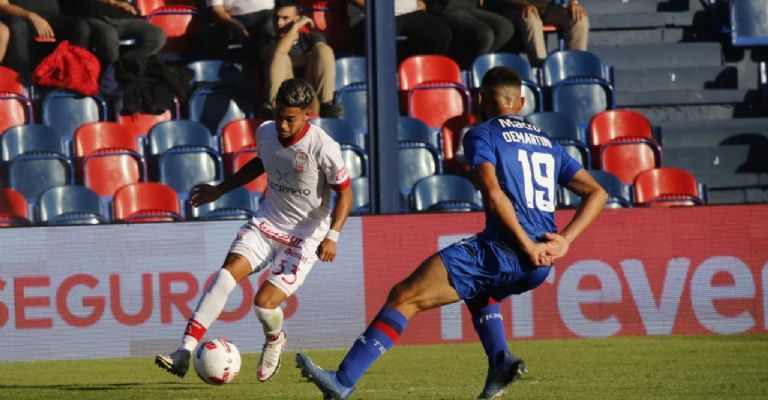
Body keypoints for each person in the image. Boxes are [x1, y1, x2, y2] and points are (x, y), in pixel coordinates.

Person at [295, 66, 608, 400]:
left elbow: (493, 193)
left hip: (506, 249)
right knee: (479, 291)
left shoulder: (482, 134)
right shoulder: (547, 143)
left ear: (481, 100)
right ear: (521, 100)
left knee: (405, 297)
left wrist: (526, 244)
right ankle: (500, 361)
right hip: (541, 261)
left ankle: (342, 382)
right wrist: (565, 241)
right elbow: (598, 193)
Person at [155, 77, 354, 383]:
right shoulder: (265, 132)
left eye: (290, 119)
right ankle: (184, 350)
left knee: (263, 305)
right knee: (225, 275)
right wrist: (220, 189)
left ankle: (275, 339)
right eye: (279, 117)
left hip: (304, 236)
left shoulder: (324, 147)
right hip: (267, 222)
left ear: (307, 114)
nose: (283, 126)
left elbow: (346, 193)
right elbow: (260, 163)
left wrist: (333, 235)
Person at [256, 0, 341, 118]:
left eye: (285, 18)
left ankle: (328, 104)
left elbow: (322, 57)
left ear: (297, 18)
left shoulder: (311, 38)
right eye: (276, 18)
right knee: (279, 58)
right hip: (284, 102)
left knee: (323, 50)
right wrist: (294, 28)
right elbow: (276, 54)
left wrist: (294, 62)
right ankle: (275, 109)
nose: (279, 23)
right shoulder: (267, 41)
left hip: (310, 101)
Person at [0, 0, 90, 80]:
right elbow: (2, 5)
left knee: (81, 27)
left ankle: (76, 80)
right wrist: (30, 15)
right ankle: (22, 83)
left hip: (52, 19)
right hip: (23, 17)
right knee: (18, 25)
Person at [62, 0, 166, 68]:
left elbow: (131, 6)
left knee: (157, 35)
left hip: (120, 16)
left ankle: (122, 68)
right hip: (91, 16)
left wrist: (124, 4)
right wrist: (112, 2)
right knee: (109, 36)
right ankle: (109, 79)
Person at [487, 0, 589, 67]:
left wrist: (573, 3)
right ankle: (542, 69)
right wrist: (524, 5)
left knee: (578, 19)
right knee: (531, 21)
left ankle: (575, 69)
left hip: (547, 8)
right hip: (516, 7)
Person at [347, 0, 452, 62]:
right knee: (379, 38)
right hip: (372, 17)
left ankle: (423, 78)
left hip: (411, 13)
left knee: (440, 32)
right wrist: (374, 8)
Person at [428, 0, 515, 68]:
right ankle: (471, 72)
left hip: (470, 7)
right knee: (485, 34)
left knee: (506, 28)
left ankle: (478, 64)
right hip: (448, 9)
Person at [200, 0, 274, 62]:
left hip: (268, 13)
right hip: (232, 18)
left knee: (269, 41)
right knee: (213, 32)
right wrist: (234, 26)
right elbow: (216, 10)